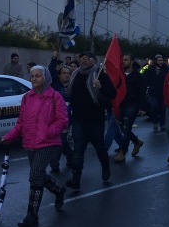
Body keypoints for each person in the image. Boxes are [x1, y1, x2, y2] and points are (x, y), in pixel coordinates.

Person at [1, 66, 69, 227]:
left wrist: (48, 132)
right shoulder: (27, 98)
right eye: (32, 76)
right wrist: (9, 137)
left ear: (45, 78)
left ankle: (32, 215)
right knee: (38, 175)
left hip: (48, 143)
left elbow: (63, 121)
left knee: (35, 175)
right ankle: (59, 190)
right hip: (30, 144)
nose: (34, 79)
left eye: (38, 76)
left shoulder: (54, 96)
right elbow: (21, 123)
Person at [65, 51, 116, 190]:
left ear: (94, 61)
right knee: (78, 150)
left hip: (95, 120)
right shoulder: (75, 75)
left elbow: (112, 93)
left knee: (99, 147)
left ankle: (105, 168)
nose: (83, 61)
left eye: (87, 58)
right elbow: (70, 94)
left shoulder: (101, 75)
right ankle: (76, 178)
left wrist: (100, 86)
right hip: (79, 120)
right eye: (81, 58)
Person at [114, 53, 144, 162]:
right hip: (121, 104)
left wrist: (141, 107)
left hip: (133, 104)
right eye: (122, 60)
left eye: (126, 60)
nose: (123, 62)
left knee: (127, 127)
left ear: (131, 61)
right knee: (123, 128)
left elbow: (141, 92)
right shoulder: (119, 75)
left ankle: (123, 151)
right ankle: (136, 142)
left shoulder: (137, 75)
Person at [50, 65, 74, 171]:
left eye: (68, 73)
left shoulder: (72, 86)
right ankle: (70, 158)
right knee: (61, 140)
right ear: (59, 75)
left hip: (67, 118)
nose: (67, 75)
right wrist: (54, 59)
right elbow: (51, 70)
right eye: (64, 73)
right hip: (54, 117)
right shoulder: (55, 85)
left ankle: (55, 163)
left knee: (61, 140)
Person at [144, 55, 169, 132]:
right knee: (154, 107)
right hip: (153, 93)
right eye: (159, 60)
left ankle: (162, 124)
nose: (161, 62)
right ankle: (155, 122)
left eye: (161, 60)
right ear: (155, 61)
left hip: (162, 93)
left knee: (163, 109)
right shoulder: (150, 69)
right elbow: (146, 80)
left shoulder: (165, 69)